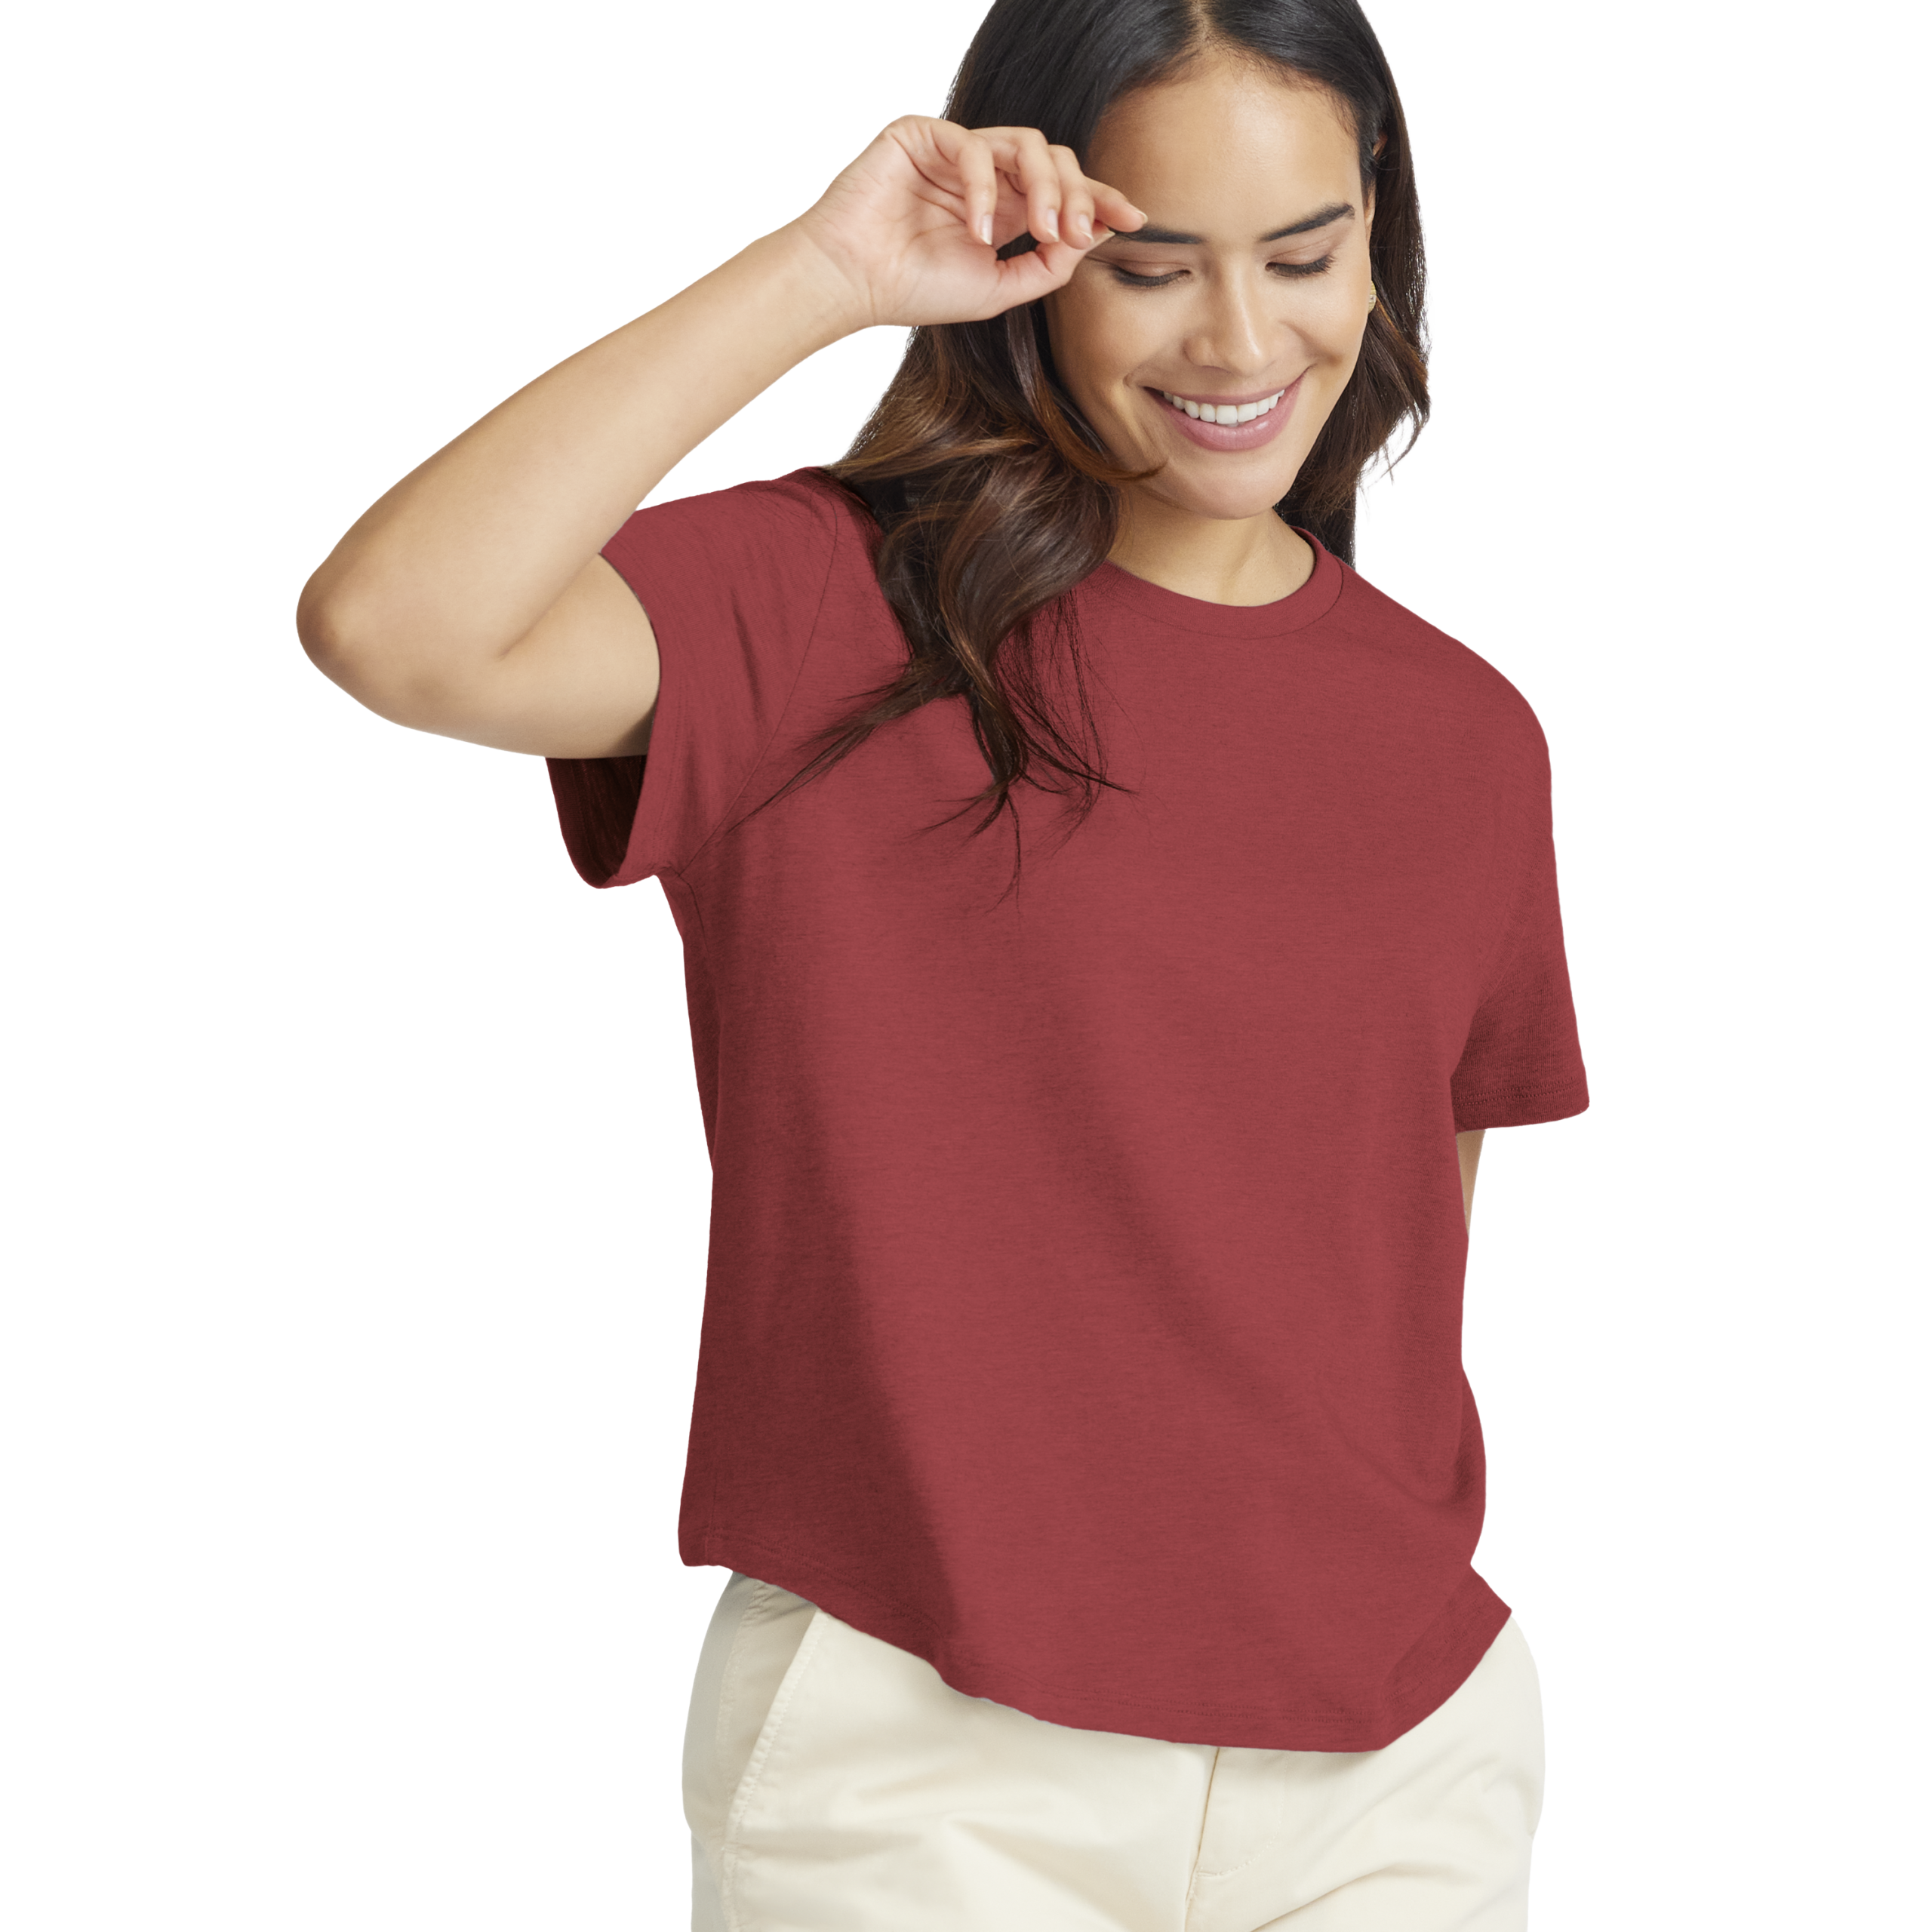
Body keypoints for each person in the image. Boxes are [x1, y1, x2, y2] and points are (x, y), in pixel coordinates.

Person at [296, 0, 1589, 1923]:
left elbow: (1403, 1267)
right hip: (928, 1750)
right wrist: (822, 275)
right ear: (1034, 255)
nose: (1239, 341)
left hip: (1392, 1761)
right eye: (1151, 265)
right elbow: (394, 624)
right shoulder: (828, 603)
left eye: (1302, 254)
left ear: (1377, 230)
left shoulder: (1465, 735)